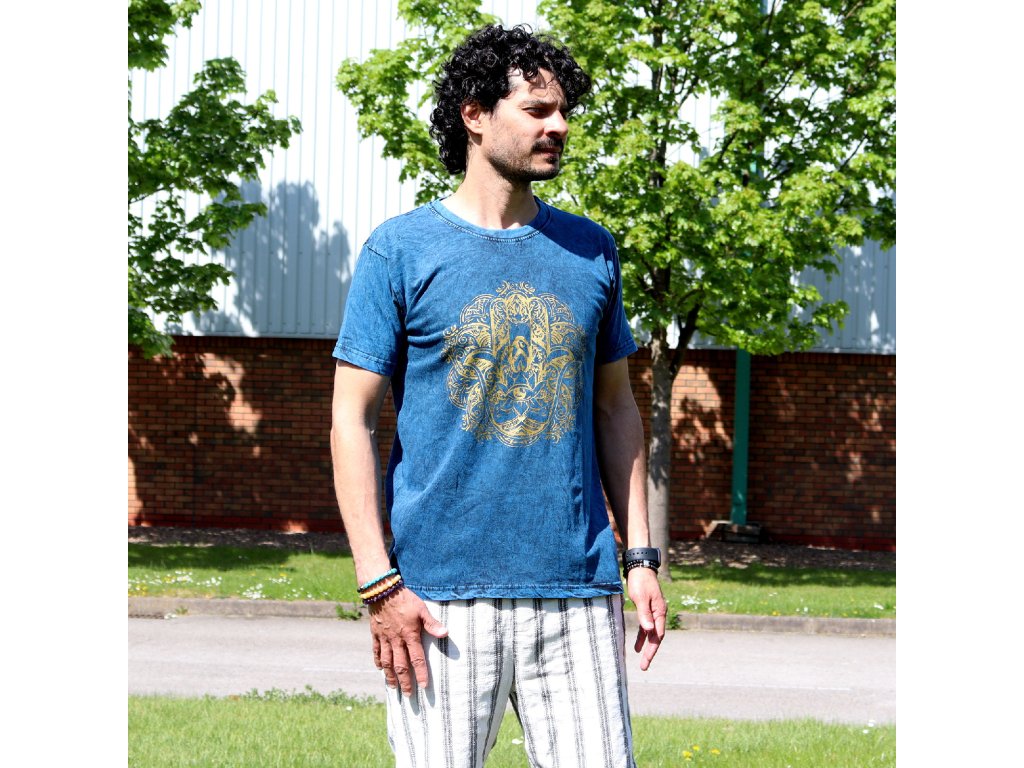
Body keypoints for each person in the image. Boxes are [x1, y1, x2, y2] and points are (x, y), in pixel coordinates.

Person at [330, 23, 667, 768]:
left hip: (577, 592)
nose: (560, 126)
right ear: (475, 115)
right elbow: (350, 422)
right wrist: (378, 583)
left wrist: (640, 556)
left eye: (564, 111)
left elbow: (616, 408)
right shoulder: (400, 250)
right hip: (438, 599)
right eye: (538, 110)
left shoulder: (592, 250)